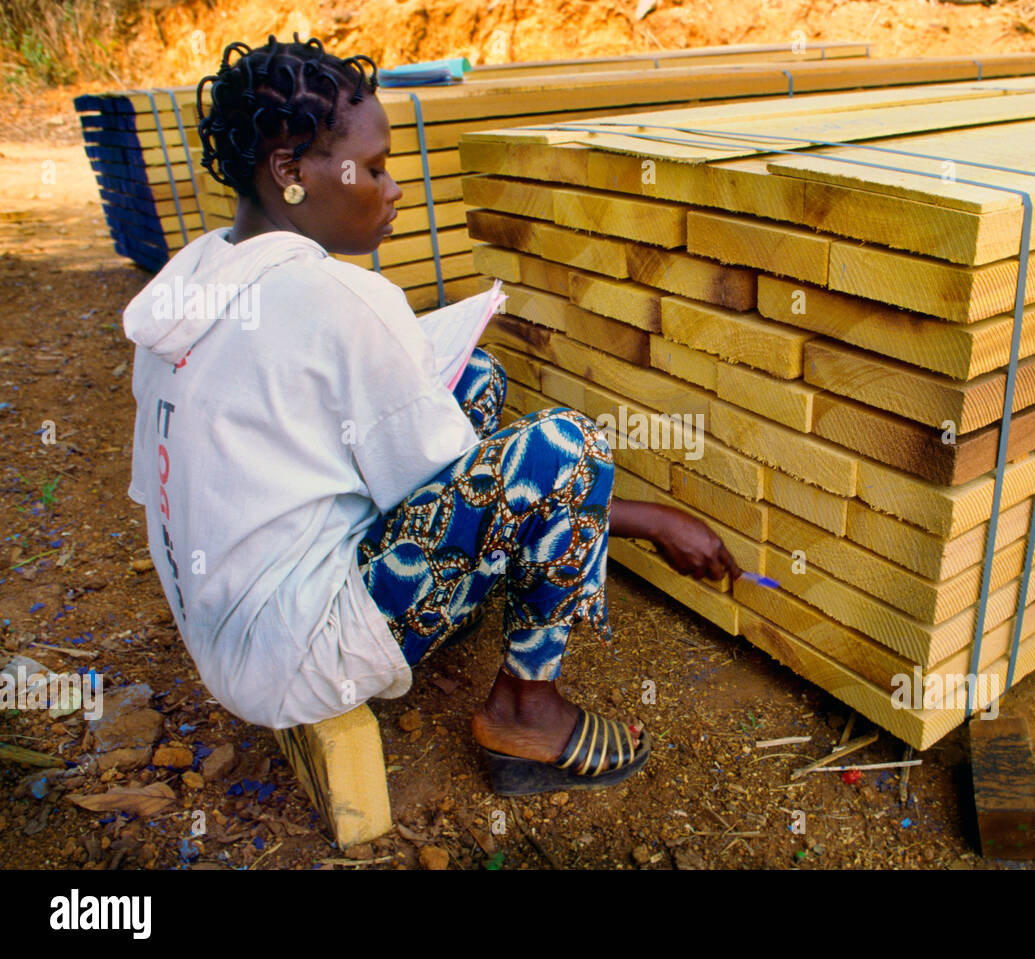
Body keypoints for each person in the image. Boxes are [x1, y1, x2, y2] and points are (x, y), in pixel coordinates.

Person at [123, 35, 741, 796]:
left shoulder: (188, 285)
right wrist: (650, 521)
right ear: (289, 172)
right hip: (293, 652)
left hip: (222, 623)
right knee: (566, 451)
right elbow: (485, 481)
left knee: (472, 375)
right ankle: (527, 711)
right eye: (374, 168)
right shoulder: (338, 300)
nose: (394, 189)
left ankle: (458, 615)